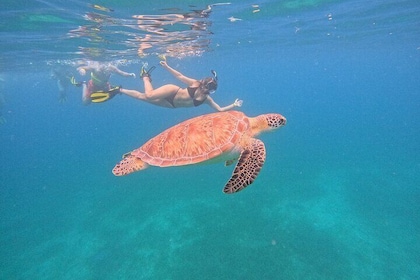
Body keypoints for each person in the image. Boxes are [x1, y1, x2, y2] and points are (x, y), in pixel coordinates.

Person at [119, 60, 243, 111]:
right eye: (206, 86)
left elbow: (219, 109)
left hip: (171, 105)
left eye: (209, 89)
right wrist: (167, 67)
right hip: (172, 91)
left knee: (143, 98)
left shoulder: (207, 99)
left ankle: (120, 89)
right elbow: (180, 76)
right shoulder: (196, 83)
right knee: (149, 95)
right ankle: (145, 77)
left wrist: (234, 105)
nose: (206, 89)